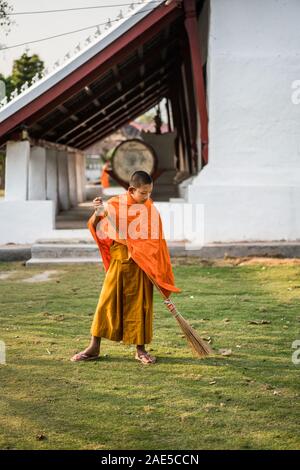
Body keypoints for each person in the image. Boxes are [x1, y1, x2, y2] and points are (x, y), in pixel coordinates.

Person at [71, 170, 180, 365]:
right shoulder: (114, 204)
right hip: (120, 261)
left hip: (141, 265)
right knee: (107, 302)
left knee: (141, 306)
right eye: (143, 193)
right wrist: (98, 213)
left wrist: (146, 255)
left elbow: (156, 240)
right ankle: (94, 347)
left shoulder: (149, 208)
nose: (147, 197)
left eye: (149, 193)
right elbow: (100, 227)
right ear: (131, 189)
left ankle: (140, 350)